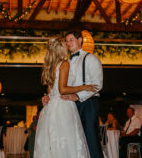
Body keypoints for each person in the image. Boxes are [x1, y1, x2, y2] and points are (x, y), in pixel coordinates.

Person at [41, 30, 104, 158]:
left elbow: (98, 85)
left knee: (91, 140)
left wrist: (78, 96)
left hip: (87, 104)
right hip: (69, 106)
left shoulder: (91, 58)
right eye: (67, 40)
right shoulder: (63, 62)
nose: (68, 43)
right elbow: (57, 85)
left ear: (80, 40)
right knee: (73, 142)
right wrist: (48, 97)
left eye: (71, 40)